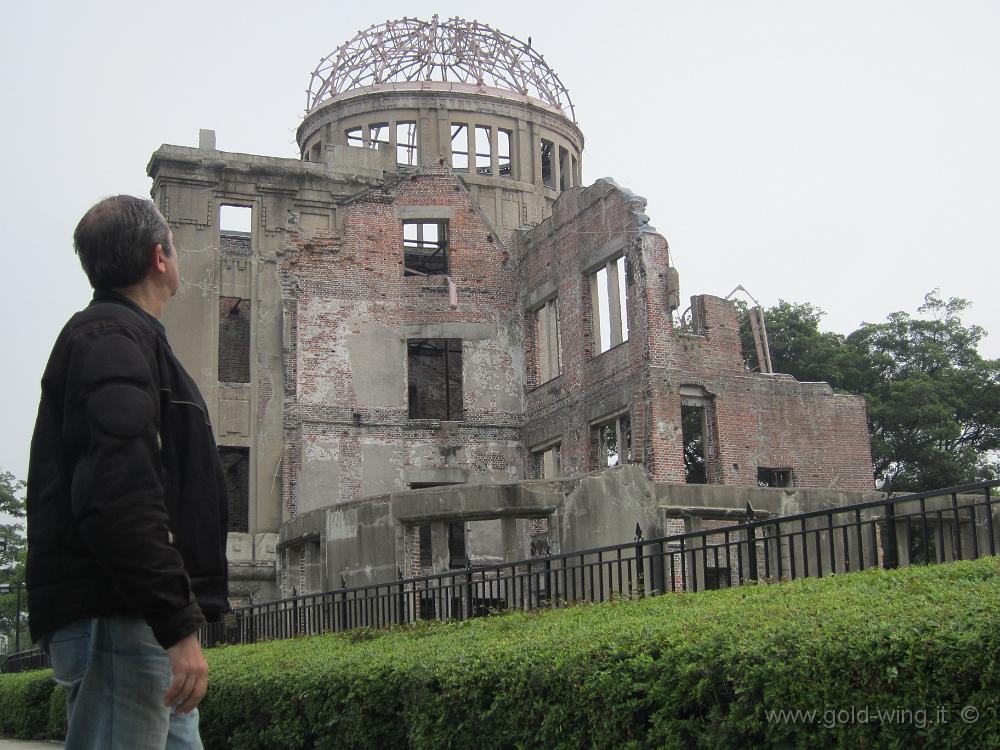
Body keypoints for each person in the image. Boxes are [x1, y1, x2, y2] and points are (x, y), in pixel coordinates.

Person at [26, 195, 229, 749]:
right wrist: (174, 621)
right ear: (157, 256)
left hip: (134, 614)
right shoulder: (112, 342)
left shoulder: (126, 340)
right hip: (120, 615)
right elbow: (119, 498)